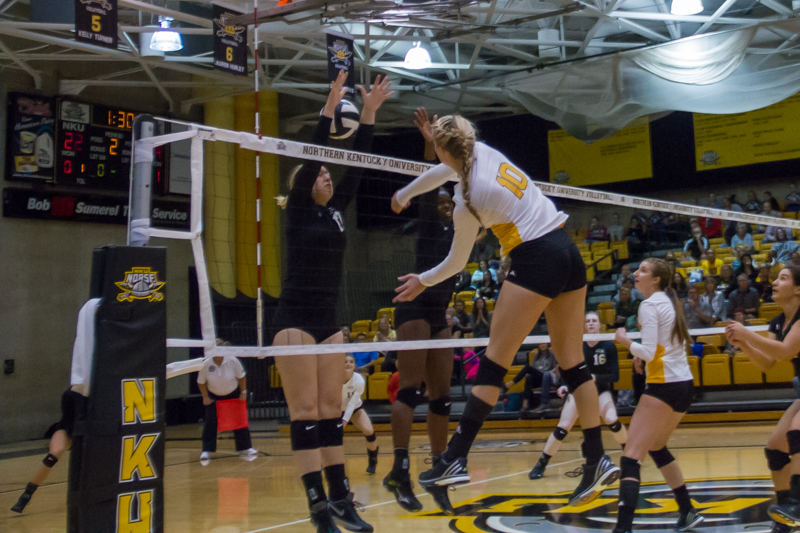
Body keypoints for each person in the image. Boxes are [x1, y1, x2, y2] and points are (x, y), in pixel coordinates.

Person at [391, 114, 619, 511]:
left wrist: (423, 280)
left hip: (535, 259)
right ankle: (596, 457)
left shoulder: (467, 201)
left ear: (444, 150)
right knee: (574, 363)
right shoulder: (482, 153)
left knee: (494, 363)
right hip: (566, 250)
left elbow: (455, 263)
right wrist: (407, 191)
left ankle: (455, 459)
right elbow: (444, 170)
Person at [271, 71, 391, 533]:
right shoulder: (301, 209)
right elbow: (312, 153)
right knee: (304, 413)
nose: (326, 173)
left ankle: (342, 500)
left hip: (327, 318)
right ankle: (318, 508)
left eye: (326, 173)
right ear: (303, 185)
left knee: (329, 412)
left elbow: (357, 164)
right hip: (295, 319)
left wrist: (369, 113)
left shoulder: (338, 212)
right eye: (319, 172)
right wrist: (328, 106)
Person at [384, 108, 458, 514]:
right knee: (410, 390)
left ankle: (439, 472)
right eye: (443, 197)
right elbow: (429, 185)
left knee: (443, 397)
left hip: (439, 311)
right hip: (414, 307)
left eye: (451, 196)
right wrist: (431, 142)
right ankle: (400, 468)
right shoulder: (432, 222)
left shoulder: (467, 224)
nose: (446, 200)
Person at [613, 258, 702, 532]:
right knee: (657, 447)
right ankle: (687, 510)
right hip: (683, 385)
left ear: (655, 280)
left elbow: (650, 351)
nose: (635, 274)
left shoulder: (649, 305)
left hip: (664, 387)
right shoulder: (667, 301)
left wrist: (625, 341)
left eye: (642, 271)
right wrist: (643, 358)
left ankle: (623, 528)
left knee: (631, 457)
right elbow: (659, 349)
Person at [725, 265, 800, 530]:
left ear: (798, 289)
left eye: (783, 278)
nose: (775, 282)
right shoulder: (778, 322)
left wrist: (747, 333)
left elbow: (785, 351)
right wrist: (743, 344)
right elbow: (768, 363)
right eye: (776, 277)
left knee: (797, 431)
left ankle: (798, 505)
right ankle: (785, 520)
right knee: (775, 450)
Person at [529, 312, 628, 480]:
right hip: (579, 391)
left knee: (611, 419)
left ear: (600, 325)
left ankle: (630, 454)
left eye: (594, 321)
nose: (590, 323)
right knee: (564, 425)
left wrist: (595, 378)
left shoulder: (608, 346)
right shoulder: (578, 346)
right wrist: (565, 385)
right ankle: (541, 463)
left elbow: (615, 377)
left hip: (601, 391)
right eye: (587, 321)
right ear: (584, 325)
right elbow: (570, 373)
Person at [10, 388, 85, 513]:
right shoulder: (70, 394)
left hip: (90, 432)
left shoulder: (98, 395)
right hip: (69, 429)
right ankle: (27, 494)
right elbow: (68, 420)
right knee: (54, 454)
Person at [197, 349, 257, 461]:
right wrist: (205, 397)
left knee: (240, 421)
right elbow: (201, 382)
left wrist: (243, 392)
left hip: (233, 394)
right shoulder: (205, 364)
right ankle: (206, 450)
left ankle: (246, 448)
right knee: (211, 422)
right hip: (214, 396)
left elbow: (242, 377)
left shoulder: (233, 361)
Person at [342, 355, 378, 474]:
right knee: (332, 436)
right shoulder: (333, 379)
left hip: (355, 408)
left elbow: (352, 404)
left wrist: (345, 421)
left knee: (369, 431)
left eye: (351, 362)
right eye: (345, 362)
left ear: (354, 365)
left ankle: (373, 460)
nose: (348, 364)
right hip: (336, 410)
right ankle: (325, 464)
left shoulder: (359, 380)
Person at [505, 343, 558, 415]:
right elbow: (532, 368)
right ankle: (525, 404)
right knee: (529, 377)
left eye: (544, 343)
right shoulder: (536, 356)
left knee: (527, 368)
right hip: (538, 378)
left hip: (547, 377)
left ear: (547, 345)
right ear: (538, 346)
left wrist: (548, 373)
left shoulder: (552, 355)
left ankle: (513, 382)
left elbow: (555, 368)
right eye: (540, 344)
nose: (542, 345)